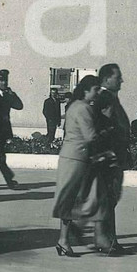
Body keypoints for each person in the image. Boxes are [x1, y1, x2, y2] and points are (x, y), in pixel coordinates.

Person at [52, 75, 104, 256]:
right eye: (95, 90)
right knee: (76, 199)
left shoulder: (73, 106)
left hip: (70, 156)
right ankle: (65, 239)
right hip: (77, 158)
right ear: (86, 90)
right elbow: (90, 136)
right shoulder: (83, 108)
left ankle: (64, 240)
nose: (97, 93)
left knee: (69, 200)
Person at [94, 63, 133, 255]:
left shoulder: (110, 97)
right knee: (108, 198)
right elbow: (100, 125)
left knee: (111, 198)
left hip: (115, 156)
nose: (121, 81)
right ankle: (105, 241)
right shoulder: (102, 98)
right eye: (118, 77)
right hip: (109, 157)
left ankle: (110, 240)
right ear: (106, 79)